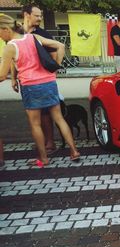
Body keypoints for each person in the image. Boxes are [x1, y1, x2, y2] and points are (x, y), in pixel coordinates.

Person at [0, 14, 80, 166]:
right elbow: (60, 46)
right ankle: (74, 151)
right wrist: (55, 68)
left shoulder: (10, 47)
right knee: (59, 118)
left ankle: (44, 159)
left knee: (35, 124)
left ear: (5, 29)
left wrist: (11, 78)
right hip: (49, 83)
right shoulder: (33, 37)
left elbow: (2, 75)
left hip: (30, 87)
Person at [22, 5, 59, 155]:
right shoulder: (18, 33)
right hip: (25, 79)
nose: (39, 18)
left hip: (42, 80)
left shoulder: (43, 34)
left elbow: (55, 54)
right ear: (26, 15)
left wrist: (51, 73)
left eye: (40, 15)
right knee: (33, 114)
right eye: (37, 15)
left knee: (45, 113)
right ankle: (41, 141)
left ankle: (50, 143)